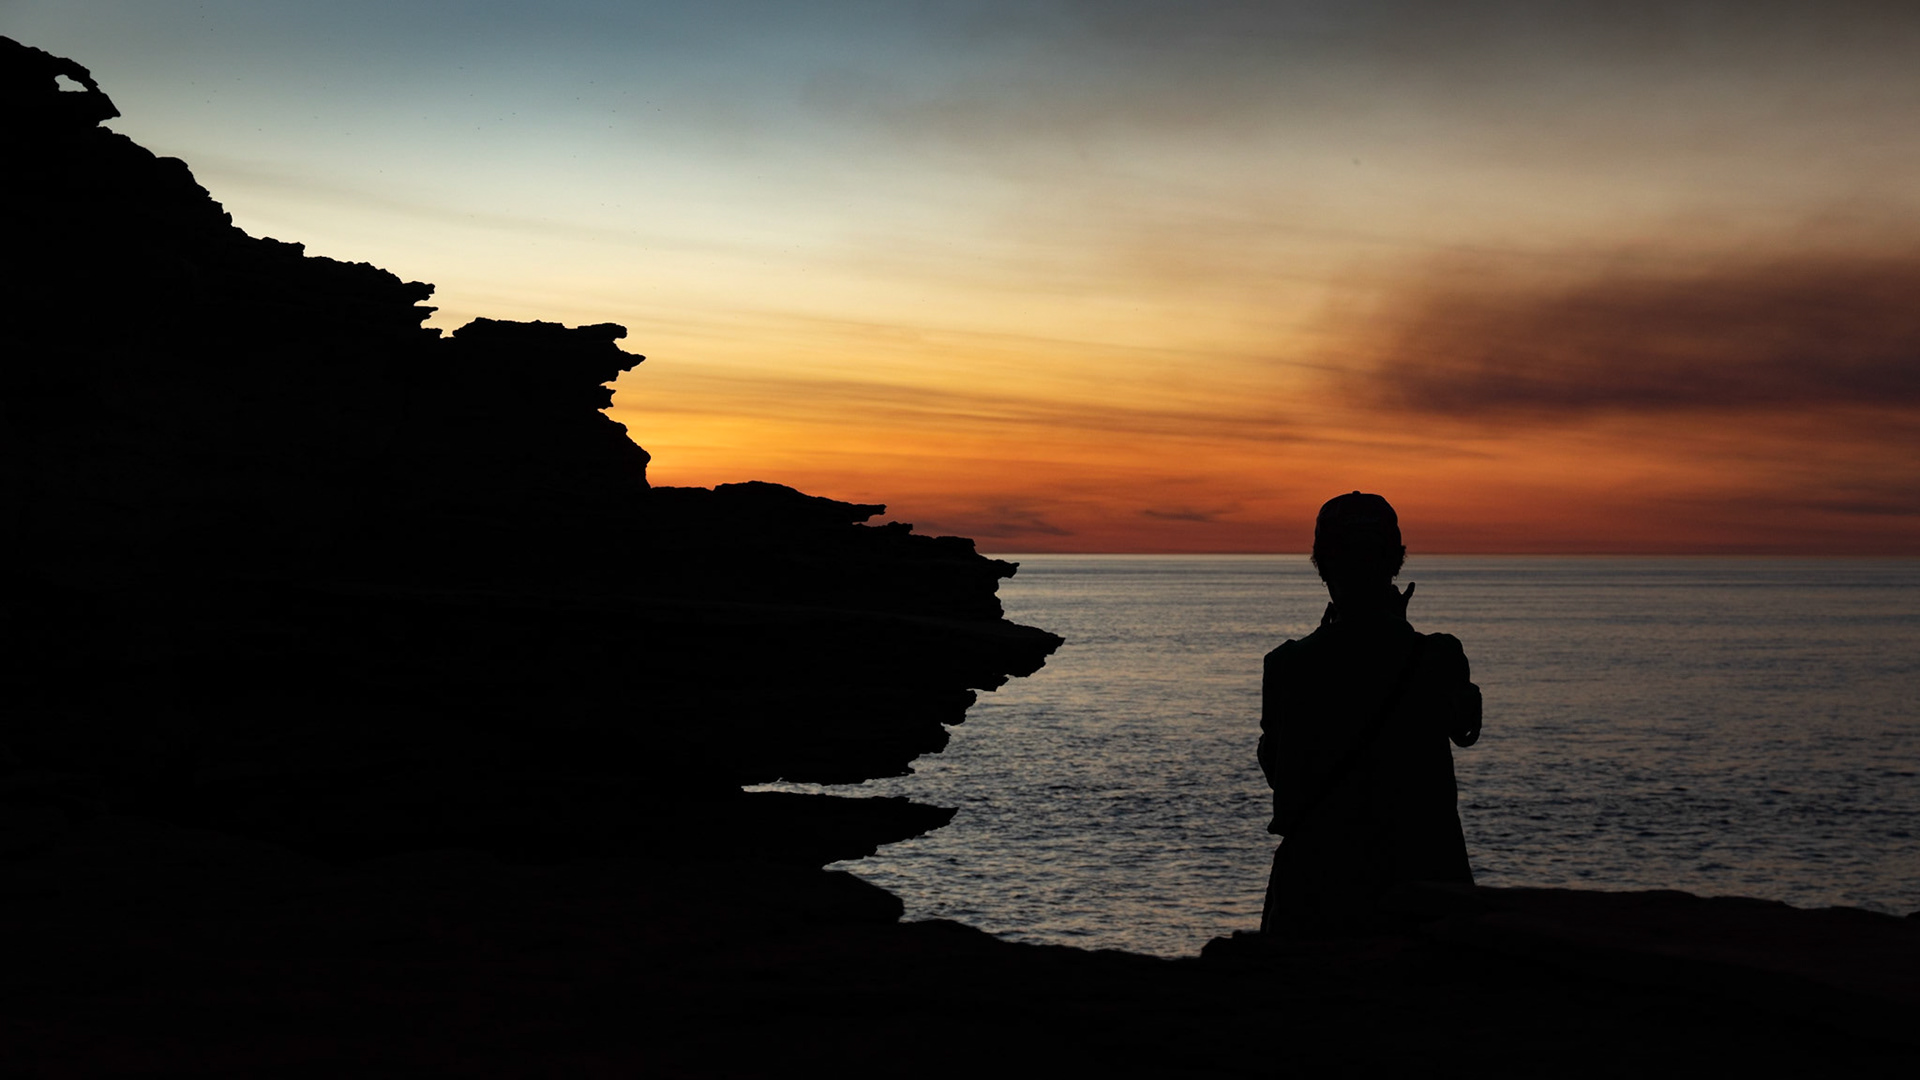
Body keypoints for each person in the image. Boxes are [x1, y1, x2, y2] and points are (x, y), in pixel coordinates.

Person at [1258, 492, 1481, 935]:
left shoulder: (1286, 665)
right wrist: (1399, 628)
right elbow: (1465, 727)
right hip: (1424, 881)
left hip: (1317, 889)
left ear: (1321, 564)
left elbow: (1279, 772)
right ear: (1395, 562)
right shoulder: (1438, 656)